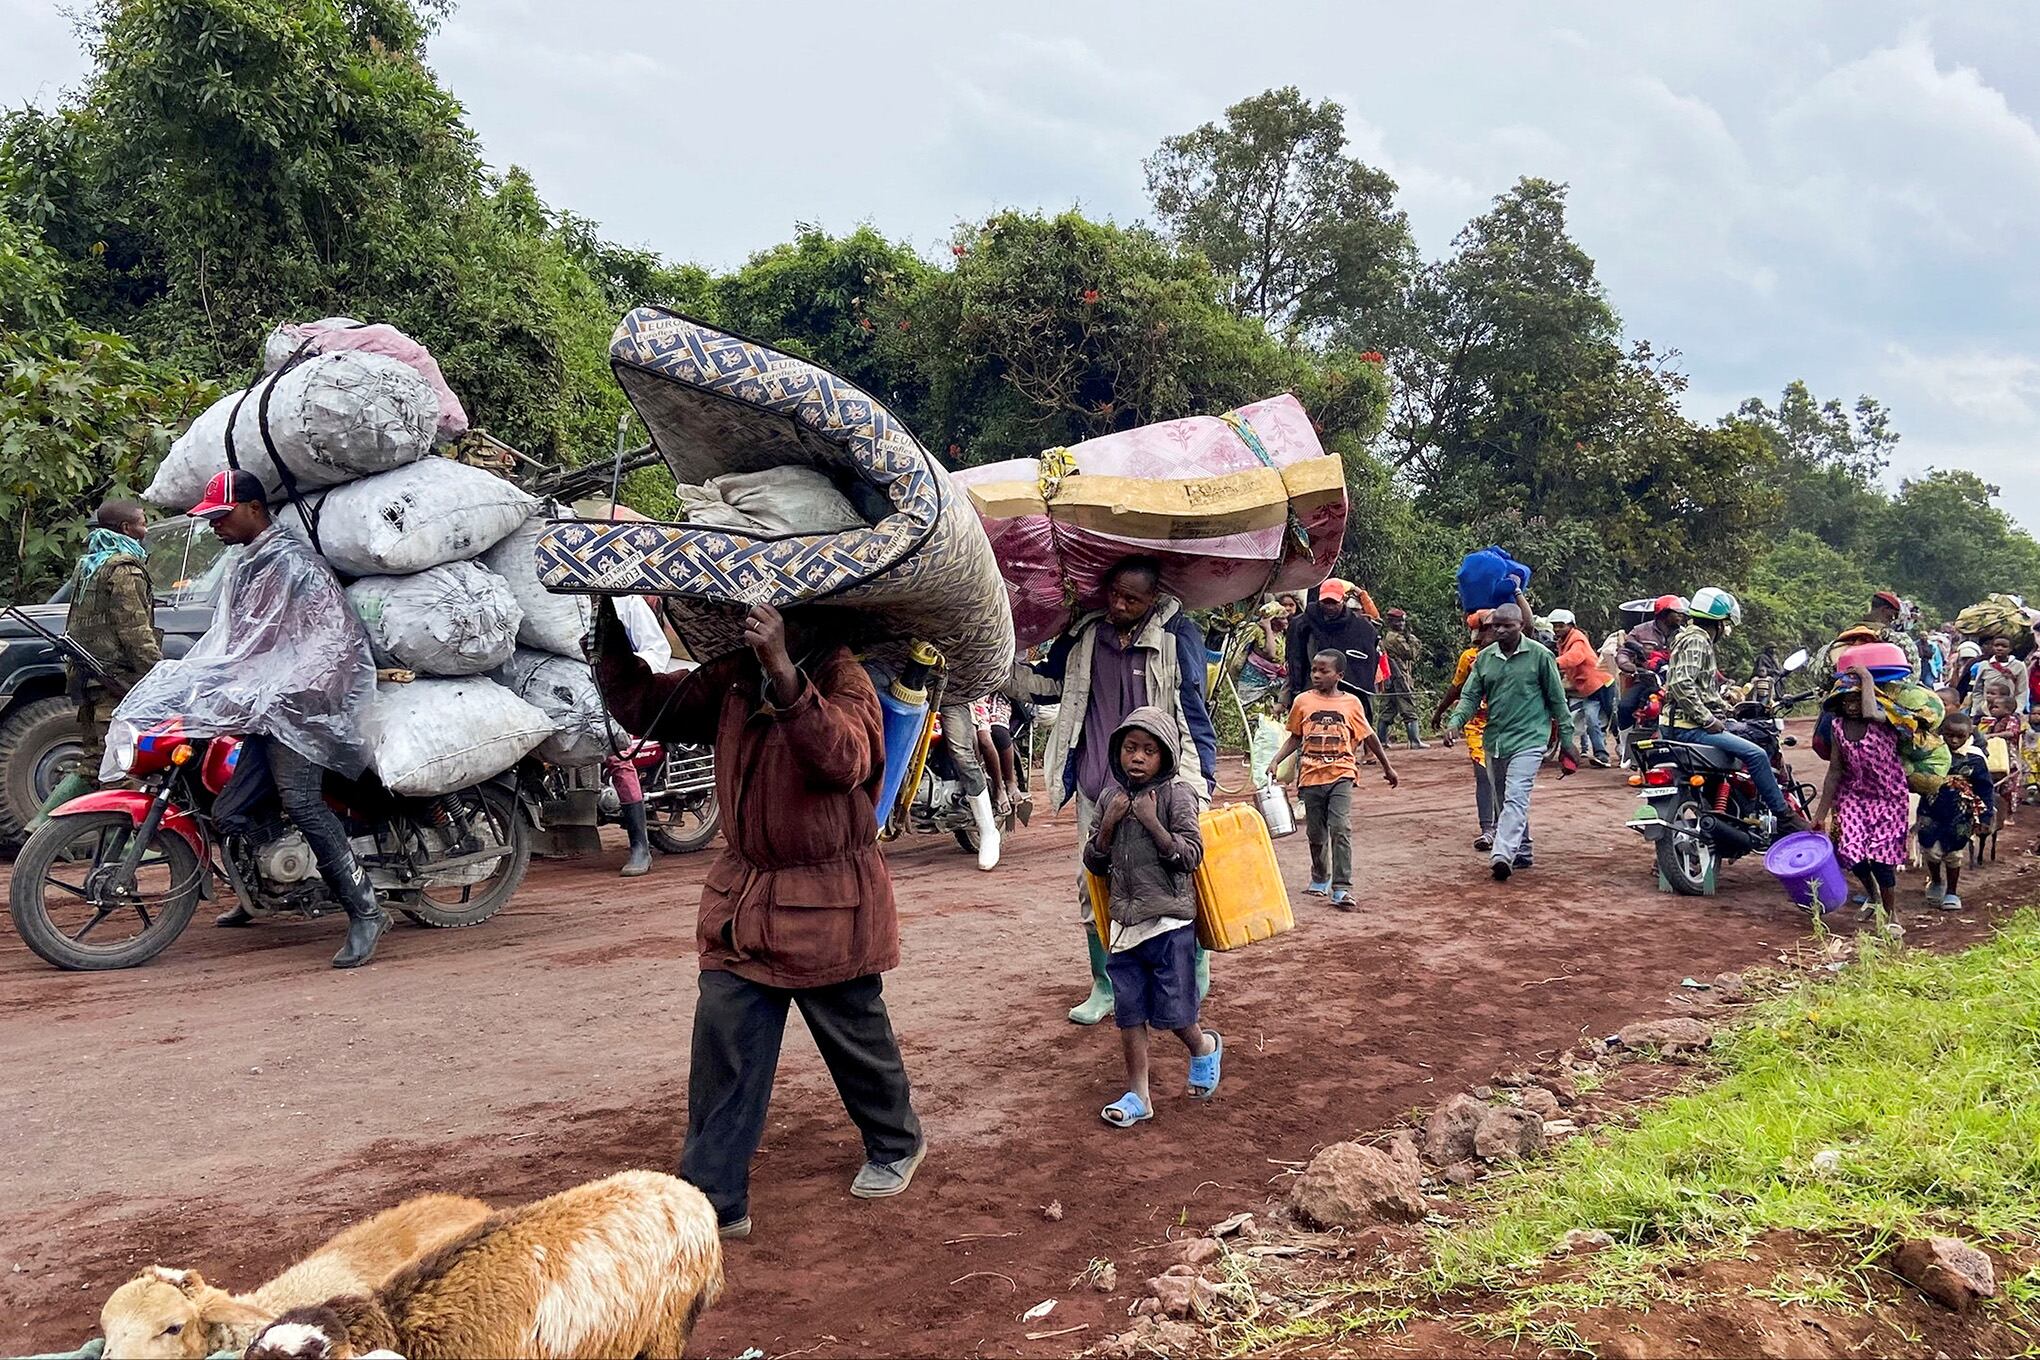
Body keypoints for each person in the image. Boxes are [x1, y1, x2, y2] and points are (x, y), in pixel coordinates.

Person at [595, 596, 926, 1240]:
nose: (760, 620)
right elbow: (647, 708)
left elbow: (844, 759)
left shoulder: (845, 679)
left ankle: (895, 1142)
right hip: (744, 899)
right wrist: (610, 637)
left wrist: (783, 672)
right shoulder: (734, 678)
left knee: (856, 1041)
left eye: (777, 615)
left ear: (810, 620)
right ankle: (713, 1197)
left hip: (830, 899)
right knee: (725, 1044)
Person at [141, 470, 384, 967]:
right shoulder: (246, 566)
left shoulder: (297, 564)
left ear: (254, 507)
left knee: (300, 799)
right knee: (229, 810)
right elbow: (233, 642)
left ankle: (365, 910)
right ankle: (273, 885)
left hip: (306, 707)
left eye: (220, 516)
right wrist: (201, 684)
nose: (214, 527)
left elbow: (334, 641)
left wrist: (284, 688)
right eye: (208, 520)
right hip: (266, 707)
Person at [1033, 556, 1219, 1026]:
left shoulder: (1177, 638)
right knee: (1091, 883)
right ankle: (1105, 984)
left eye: (1130, 598)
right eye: (1113, 593)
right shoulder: (1088, 635)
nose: (1118, 604)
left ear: (1151, 598)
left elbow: (1191, 713)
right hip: (1099, 785)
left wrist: (1198, 785)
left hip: (1158, 789)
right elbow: (1050, 684)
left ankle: (1190, 965)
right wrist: (989, 664)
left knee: (1171, 881)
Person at [1084, 707, 1221, 1127]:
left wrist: (1152, 824)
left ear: (1165, 756)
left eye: (1148, 750)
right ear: (1117, 751)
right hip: (1124, 926)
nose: (1137, 758)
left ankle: (1201, 1047)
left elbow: (1191, 856)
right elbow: (1093, 860)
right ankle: (1138, 1096)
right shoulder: (1110, 798)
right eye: (1129, 748)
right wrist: (1108, 824)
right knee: (1129, 1013)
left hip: (1169, 924)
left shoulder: (1178, 795)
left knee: (1175, 1012)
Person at [28, 500, 163, 831]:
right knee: (121, 762)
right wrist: (159, 676)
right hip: (115, 682)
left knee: (92, 762)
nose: (145, 530)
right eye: (142, 523)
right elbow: (135, 632)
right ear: (126, 529)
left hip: (88, 680)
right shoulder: (124, 569)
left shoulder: (90, 566)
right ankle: (128, 842)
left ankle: (41, 827)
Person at [1661, 587, 1809, 834]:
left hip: (1676, 724)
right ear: (1718, 624)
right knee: (1758, 753)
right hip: (1690, 728)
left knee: (1742, 737)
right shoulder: (1697, 640)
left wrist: (1723, 706)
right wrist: (1707, 719)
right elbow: (1680, 684)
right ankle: (1784, 817)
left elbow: (1694, 686)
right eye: (1725, 624)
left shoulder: (1685, 638)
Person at [1446, 603, 1575, 881]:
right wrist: (1455, 723)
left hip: (1530, 738)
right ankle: (1524, 850)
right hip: (1495, 740)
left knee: (1516, 795)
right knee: (1504, 799)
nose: (1501, 630)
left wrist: (1567, 741)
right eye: (1496, 626)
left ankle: (1502, 854)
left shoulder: (1540, 656)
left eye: (1508, 625)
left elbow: (1557, 700)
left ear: (1521, 626)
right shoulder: (1484, 659)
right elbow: (1469, 696)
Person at [1267, 651, 1398, 908]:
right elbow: (1295, 737)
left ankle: (1342, 887)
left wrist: (1387, 766)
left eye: (1323, 671)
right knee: (1316, 833)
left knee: (1340, 827)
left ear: (1339, 675)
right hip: (1310, 774)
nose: (1316, 675)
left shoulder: (1352, 704)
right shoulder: (1303, 701)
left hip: (1342, 772)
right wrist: (1276, 760)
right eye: (1314, 670)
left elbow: (1369, 736)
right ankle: (1320, 875)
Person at [1810, 661, 1911, 920]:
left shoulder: (1886, 719)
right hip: (1854, 795)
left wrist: (1866, 679)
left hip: (1889, 797)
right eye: (1846, 701)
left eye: (1856, 699)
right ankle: (1874, 897)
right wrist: (1821, 814)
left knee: (1882, 858)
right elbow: (1835, 770)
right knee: (1850, 852)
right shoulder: (1837, 727)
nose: (1852, 705)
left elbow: (1870, 712)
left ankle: (1891, 915)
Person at [605, 593, 684, 878]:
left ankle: (640, 847)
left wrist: (623, 672)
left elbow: (656, 649)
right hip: (575, 691)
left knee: (617, 756)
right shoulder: (560, 608)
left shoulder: (625, 602)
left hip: (618, 696)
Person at [1434, 611, 1499, 850]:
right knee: (1484, 776)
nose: (1496, 632)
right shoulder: (1470, 658)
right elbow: (1458, 689)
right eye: (1491, 628)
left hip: (1508, 724)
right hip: (1478, 724)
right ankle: (1488, 829)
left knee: (1504, 778)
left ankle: (1504, 826)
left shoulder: (1516, 654)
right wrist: (1443, 713)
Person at [1918, 709, 1993, 912]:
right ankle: (1936, 881)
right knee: (1930, 851)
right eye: (1949, 735)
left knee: (1954, 854)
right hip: (1930, 809)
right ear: (1942, 732)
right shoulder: (1932, 752)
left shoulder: (1975, 759)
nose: (1954, 740)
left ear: (1969, 736)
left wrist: (1985, 817)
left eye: (1960, 736)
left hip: (1960, 813)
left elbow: (1985, 789)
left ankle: (1952, 891)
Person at [1286, 580, 1381, 724]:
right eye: (1326, 602)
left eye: (1334, 602)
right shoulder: (1303, 623)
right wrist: (1296, 688)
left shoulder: (1360, 627)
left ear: (1343, 600)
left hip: (1346, 687)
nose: (1329, 606)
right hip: (1312, 684)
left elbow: (1368, 658)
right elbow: (1295, 658)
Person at [1548, 608, 1615, 768]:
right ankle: (1601, 755)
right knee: (1591, 719)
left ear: (1571, 625)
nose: (1557, 629)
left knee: (1613, 719)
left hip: (1601, 684)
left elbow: (1574, 658)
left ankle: (1621, 748)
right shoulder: (1562, 641)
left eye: (1560, 625)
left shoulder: (1577, 639)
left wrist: (1552, 663)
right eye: (1555, 626)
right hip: (1586, 688)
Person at [1377, 608, 1427, 749]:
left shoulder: (1391, 636)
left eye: (1403, 621)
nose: (1401, 624)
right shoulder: (1395, 638)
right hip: (1399, 677)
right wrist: (1413, 640)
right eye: (1398, 621)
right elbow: (1410, 654)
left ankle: (1382, 741)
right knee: (1408, 707)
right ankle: (1414, 741)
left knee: (1388, 709)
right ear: (1391, 622)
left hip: (1392, 677)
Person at [1982, 693, 2026, 828]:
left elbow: (2011, 733)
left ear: (2007, 710)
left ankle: (2009, 815)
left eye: (1996, 707)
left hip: (2009, 759)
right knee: (1996, 787)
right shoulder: (1993, 721)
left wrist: (1991, 735)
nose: (1992, 709)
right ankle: (1994, 814)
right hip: (1997, 758)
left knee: (2009, 789)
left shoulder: (2012, 719)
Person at [1968, 636, 2029, 716]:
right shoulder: (1984, 665)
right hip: (1986, 710)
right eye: (1996, 645)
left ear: (2010, 648)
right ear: (1992, 647)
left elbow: (2022, 691)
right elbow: (1978, 690)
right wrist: (1976, 709)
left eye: (2004, 646)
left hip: (2008, 710)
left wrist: (2017, 710)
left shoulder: (2019, 666)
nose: (2000, 648)